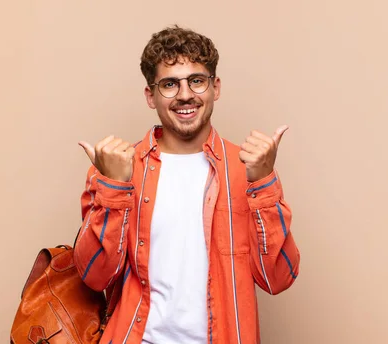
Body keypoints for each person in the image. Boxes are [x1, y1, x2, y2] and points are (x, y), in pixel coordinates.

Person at [74, 25, 300, 344]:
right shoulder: (118, 168)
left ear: (215, 87)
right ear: (150, 96)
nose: (184, 94)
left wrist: (263, 182)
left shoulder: (247, 169)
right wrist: (113, 187)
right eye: (169, 84)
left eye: (196, 80)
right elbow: (95, 277)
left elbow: (278, 278)